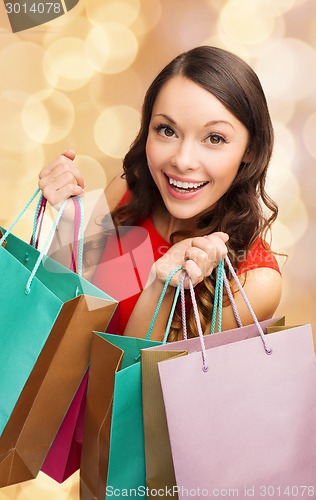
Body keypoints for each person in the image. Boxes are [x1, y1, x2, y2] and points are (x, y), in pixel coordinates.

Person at [38, 45, 282, 342]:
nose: (182, 160)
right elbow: (62, 318)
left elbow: (142, 384)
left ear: (250, 150)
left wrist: (161, 288)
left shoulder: (254, 281)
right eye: (167, 130)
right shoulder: (128, 191)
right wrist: (68, 217)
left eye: (214, 138)